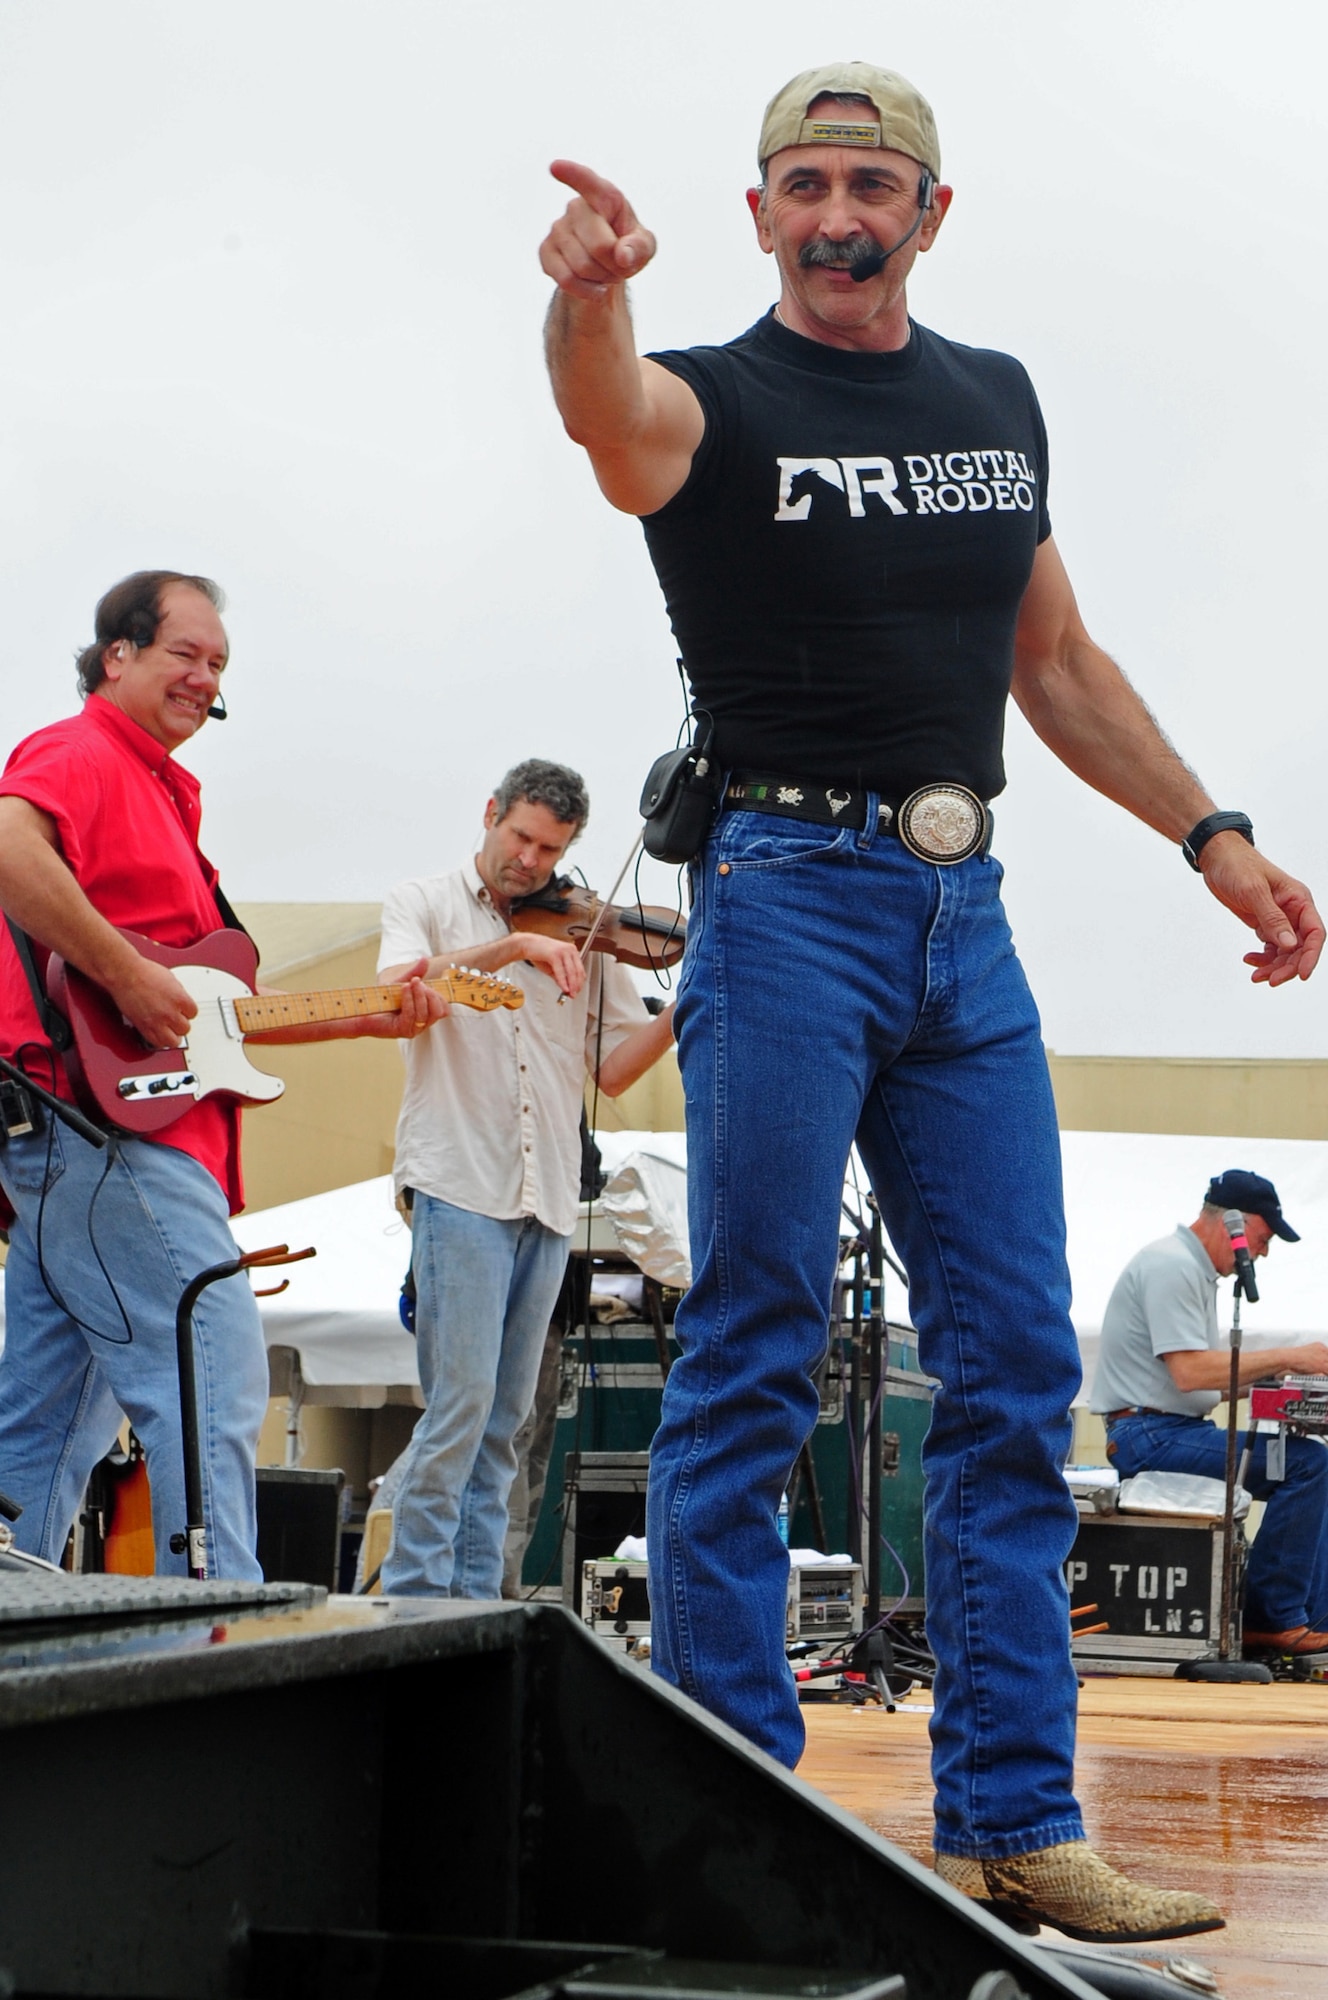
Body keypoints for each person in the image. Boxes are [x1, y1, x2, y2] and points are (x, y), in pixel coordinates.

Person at [539, 61, 1324, 1942]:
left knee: (1015, 1365)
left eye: (869, 182)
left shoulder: (993, 404)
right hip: (782, 898)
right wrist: (586, 290)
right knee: (752, 1334)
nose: (835, 212)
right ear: (755, 216)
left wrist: (1208, 833)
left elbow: (1050, 659)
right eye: (801, 182)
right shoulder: (710, 399)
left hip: (964, 915)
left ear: (928, 211)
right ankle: (735, 1824)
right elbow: (605, 420)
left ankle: (1018, 1825)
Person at [0, 570, 444, 1580]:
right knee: (214, 1374)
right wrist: (125, 969)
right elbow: (7, 847)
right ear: (117, 653)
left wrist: (365, 1017)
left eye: (218, 665)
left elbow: (202, 1020)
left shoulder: (162, 795)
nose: (204, 677)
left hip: (78, 1152)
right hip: (116, 1146)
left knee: (38, 1433)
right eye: (184, 654)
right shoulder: (78, 752)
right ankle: (216, 1632)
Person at [377, 759, 675, 1599]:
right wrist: (512, 945)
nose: (532, 863)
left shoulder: (584, 931)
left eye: (551, 849)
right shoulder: (424, 901)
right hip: (458, 1179)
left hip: (547, 1195)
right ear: (491, 814)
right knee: (458, 1411)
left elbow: (613, 1070)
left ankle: (479, 1603)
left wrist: (682, 1011)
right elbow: (394, 987)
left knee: (509, 1424)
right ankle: (415, 1601)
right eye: (521, 838)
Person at [1093, 1168, 1328, 1655]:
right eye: (1263, 1240)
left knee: (1314, 1462)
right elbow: (1190, 1373)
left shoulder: (1186, 1268)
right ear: (1235, 1225)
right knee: (1310, 1463)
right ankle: (1273, 1617)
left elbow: (1195, 1384)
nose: (1262, 1253)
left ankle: (1305, 1619)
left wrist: (1267, 1387)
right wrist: (1289, 1356)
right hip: (1148, 1435)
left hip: (1157, 1426)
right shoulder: (1172, 1266)